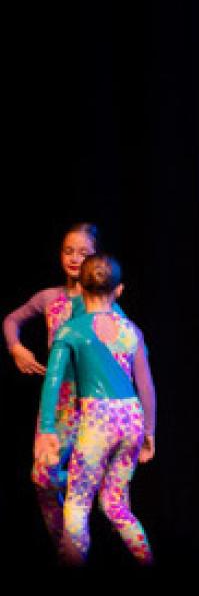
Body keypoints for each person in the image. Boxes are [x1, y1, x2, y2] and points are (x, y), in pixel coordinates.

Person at [34, 254, 155, 565]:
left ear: (81, 286)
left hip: (99, 421)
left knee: (76, 503)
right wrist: (150, 431)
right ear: (119, 291)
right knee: (115, 504)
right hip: (132, 419)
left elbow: (52, 382)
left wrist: (47, 428)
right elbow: (146, 386)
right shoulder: (132, 330)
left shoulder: (71, 330)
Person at [8, 223, 106, 545]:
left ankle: (76, 548)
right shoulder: (50, 297)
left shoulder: (101, 301)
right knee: (42, 478)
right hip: (56, 401)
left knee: (82, 480)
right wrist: (16, 347)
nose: (75, 258)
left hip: (91, 400)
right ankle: (64, 544)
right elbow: (11, 320)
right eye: (68, 251)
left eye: (84, 253)